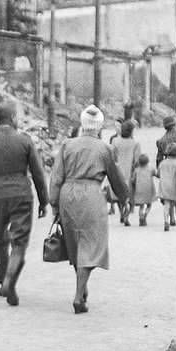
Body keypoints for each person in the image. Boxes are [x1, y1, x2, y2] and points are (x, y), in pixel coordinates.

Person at [49, 105, 129, 314]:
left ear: (82, 123)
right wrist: (124, 197)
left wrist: (54, 203)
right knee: (92, 245)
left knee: (74, 244)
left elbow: (56, 177)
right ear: (100, 125)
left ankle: (81, 289)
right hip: (92, 195)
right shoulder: (105, 148)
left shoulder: (67, 145)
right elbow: (115, 178)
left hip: (68, 194)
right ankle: (78, 296)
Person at [0, 102, 48, 306]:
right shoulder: (25, 141)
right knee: (19, 242)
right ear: (12, 119)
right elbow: (38, 174)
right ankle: (10, 279)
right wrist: (44, 201)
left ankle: (3, 280)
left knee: (0, 239)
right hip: (21, 194)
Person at [109, 119, 141, 226]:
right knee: (129, 193)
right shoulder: (135, 143)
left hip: (117, 170)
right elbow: (137, 160)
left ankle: (122, 212)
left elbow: (112, 156)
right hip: (130, 170)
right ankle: (127, 212)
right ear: (131, 131)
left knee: (119, 193)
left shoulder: (115, 141)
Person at [157, 143, 176, 231]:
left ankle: (166, 222)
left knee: (166, 205)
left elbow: (158, 173)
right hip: (175, 186)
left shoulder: (163, 163)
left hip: (164, 186)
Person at [130, 154, 157, 226]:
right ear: (148, 161)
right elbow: (157, 175)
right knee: (149, 204)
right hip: (149, 189)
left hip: (139, 189)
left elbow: (133, 180)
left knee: (141, 206)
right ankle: (145, 215)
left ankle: (140, 217)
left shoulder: (136, 170)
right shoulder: (151, 169)